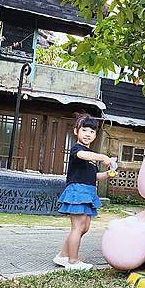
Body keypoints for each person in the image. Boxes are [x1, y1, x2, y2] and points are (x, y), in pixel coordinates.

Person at [54, 114, 112, 270]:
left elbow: (93, 176)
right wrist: (102, 156)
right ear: (76, 131)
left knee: (84, 227)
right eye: (84, 130)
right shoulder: (78, 149)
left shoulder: (91, 156)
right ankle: (73, 262)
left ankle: (62, 256)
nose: (88, 134)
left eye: (92, 132)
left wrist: (107, 174)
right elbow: (82, 155)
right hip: (77, 191)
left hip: (88, 191)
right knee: (78, 227)